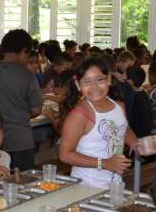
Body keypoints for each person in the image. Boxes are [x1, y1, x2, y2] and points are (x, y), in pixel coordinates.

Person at [59, 58, 143, 189]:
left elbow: (124, 128)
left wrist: (135, 144)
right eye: (87, 81)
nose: (94, 87)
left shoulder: (118, 106)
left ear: (109, 79)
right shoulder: (79, 115)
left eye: (100, 80)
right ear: (78, 85)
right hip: (87, 186)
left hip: (115, 183)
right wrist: (104, 163)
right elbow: (65, 155)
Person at [0, 29, 42, 170]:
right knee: (23, 185)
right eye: (27, 55)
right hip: (21, 140)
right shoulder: (27, 75)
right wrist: (20, 114)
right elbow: (36, 110)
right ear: (24, 51)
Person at [125, 66, 153, 138]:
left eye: (125, 76)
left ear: (130, 81)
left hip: (137, 135)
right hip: (146, 133)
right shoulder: (143, 93)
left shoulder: (133, 97)